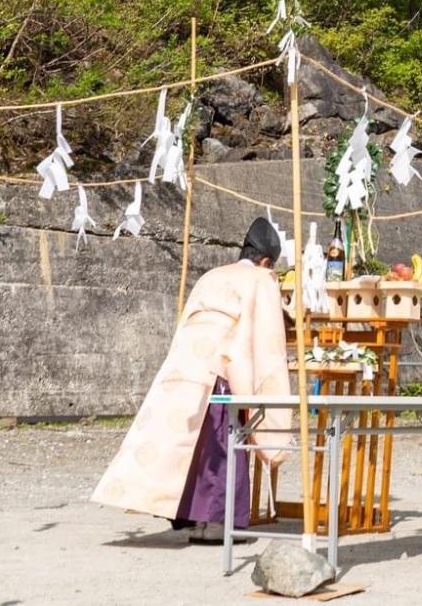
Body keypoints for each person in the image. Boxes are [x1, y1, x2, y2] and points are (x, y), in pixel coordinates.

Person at [91, 217, 293, 536]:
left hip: (186, 359)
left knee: (187, 439)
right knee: (222, 438)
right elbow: (265, 334)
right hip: (226, 360)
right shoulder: (262, 279)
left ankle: (182, 510)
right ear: (266, 261)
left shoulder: (211, 276)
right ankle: (216, 520)